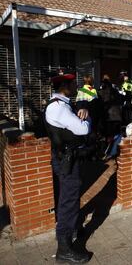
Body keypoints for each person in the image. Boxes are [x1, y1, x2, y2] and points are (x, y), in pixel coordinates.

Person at [44, 73, 91, 263]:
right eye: (73, 84)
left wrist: (83, 112)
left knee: (69, 198)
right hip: (67, 160)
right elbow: (84, 129)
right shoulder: (59, 108)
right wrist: (87, 119)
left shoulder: (60, 104)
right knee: (68, 201)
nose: (75, 87)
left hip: (66, 158)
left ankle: (69, 233)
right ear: (65, 86)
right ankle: (64, 249)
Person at [98, 74, 123, 160]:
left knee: (107, 135)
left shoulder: (100, 92)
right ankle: (112, 152)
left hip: (107, 117)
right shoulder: (115, 91)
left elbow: (100, 106)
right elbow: (120, 102)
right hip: (116, 116)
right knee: (116, 134)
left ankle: (107, 152)